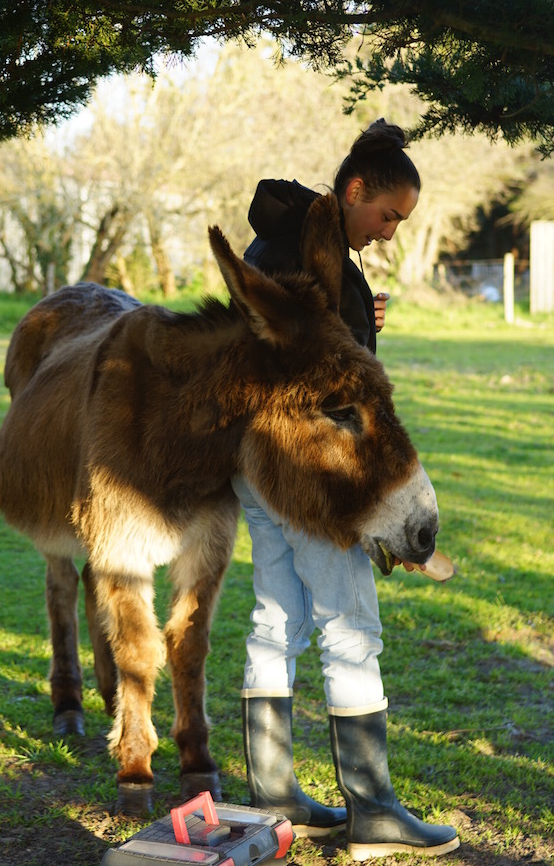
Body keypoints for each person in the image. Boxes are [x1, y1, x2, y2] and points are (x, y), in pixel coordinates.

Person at [234, 120, 459, 860]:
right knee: (350, 626)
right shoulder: (316, 248)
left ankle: (274, 798)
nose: (389, 232)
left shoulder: (275, 243)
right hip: (313, 471)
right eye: (388, 215)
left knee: (275, 619)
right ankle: (374, 813)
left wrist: (363, 321)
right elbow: (326, 383)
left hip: (253, 461)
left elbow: (290, 344)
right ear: (355, 190)